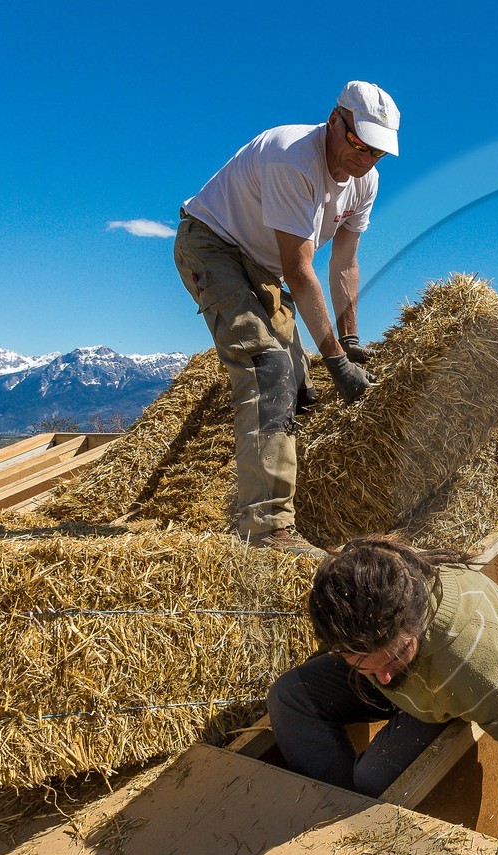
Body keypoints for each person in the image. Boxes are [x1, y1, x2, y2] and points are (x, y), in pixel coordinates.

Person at [174, 81, 395, 557]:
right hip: (212, 245)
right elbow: (300, 270)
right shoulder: (292, 157)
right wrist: (335, 361)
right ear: (334, 120)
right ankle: (267, 529)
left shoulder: (366, 181)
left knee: (299, 385)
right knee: (268, 368)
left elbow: (345, 262)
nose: (365, 159)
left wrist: (350, 338)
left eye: (377, 152)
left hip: (266, 267)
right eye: (358, 144)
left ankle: (293, 499)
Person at [267, 535, 498, 849]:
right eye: (365, 664)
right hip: (412, 675)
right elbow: (366, 659)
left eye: (395, 656)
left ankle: (360, 823)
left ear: (416, 623)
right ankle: (340, 818)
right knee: (289, 697)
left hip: (445, 685)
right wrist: (362, 666)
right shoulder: (354, 596)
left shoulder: (469, 659)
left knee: (372, 780)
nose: (384, 677)